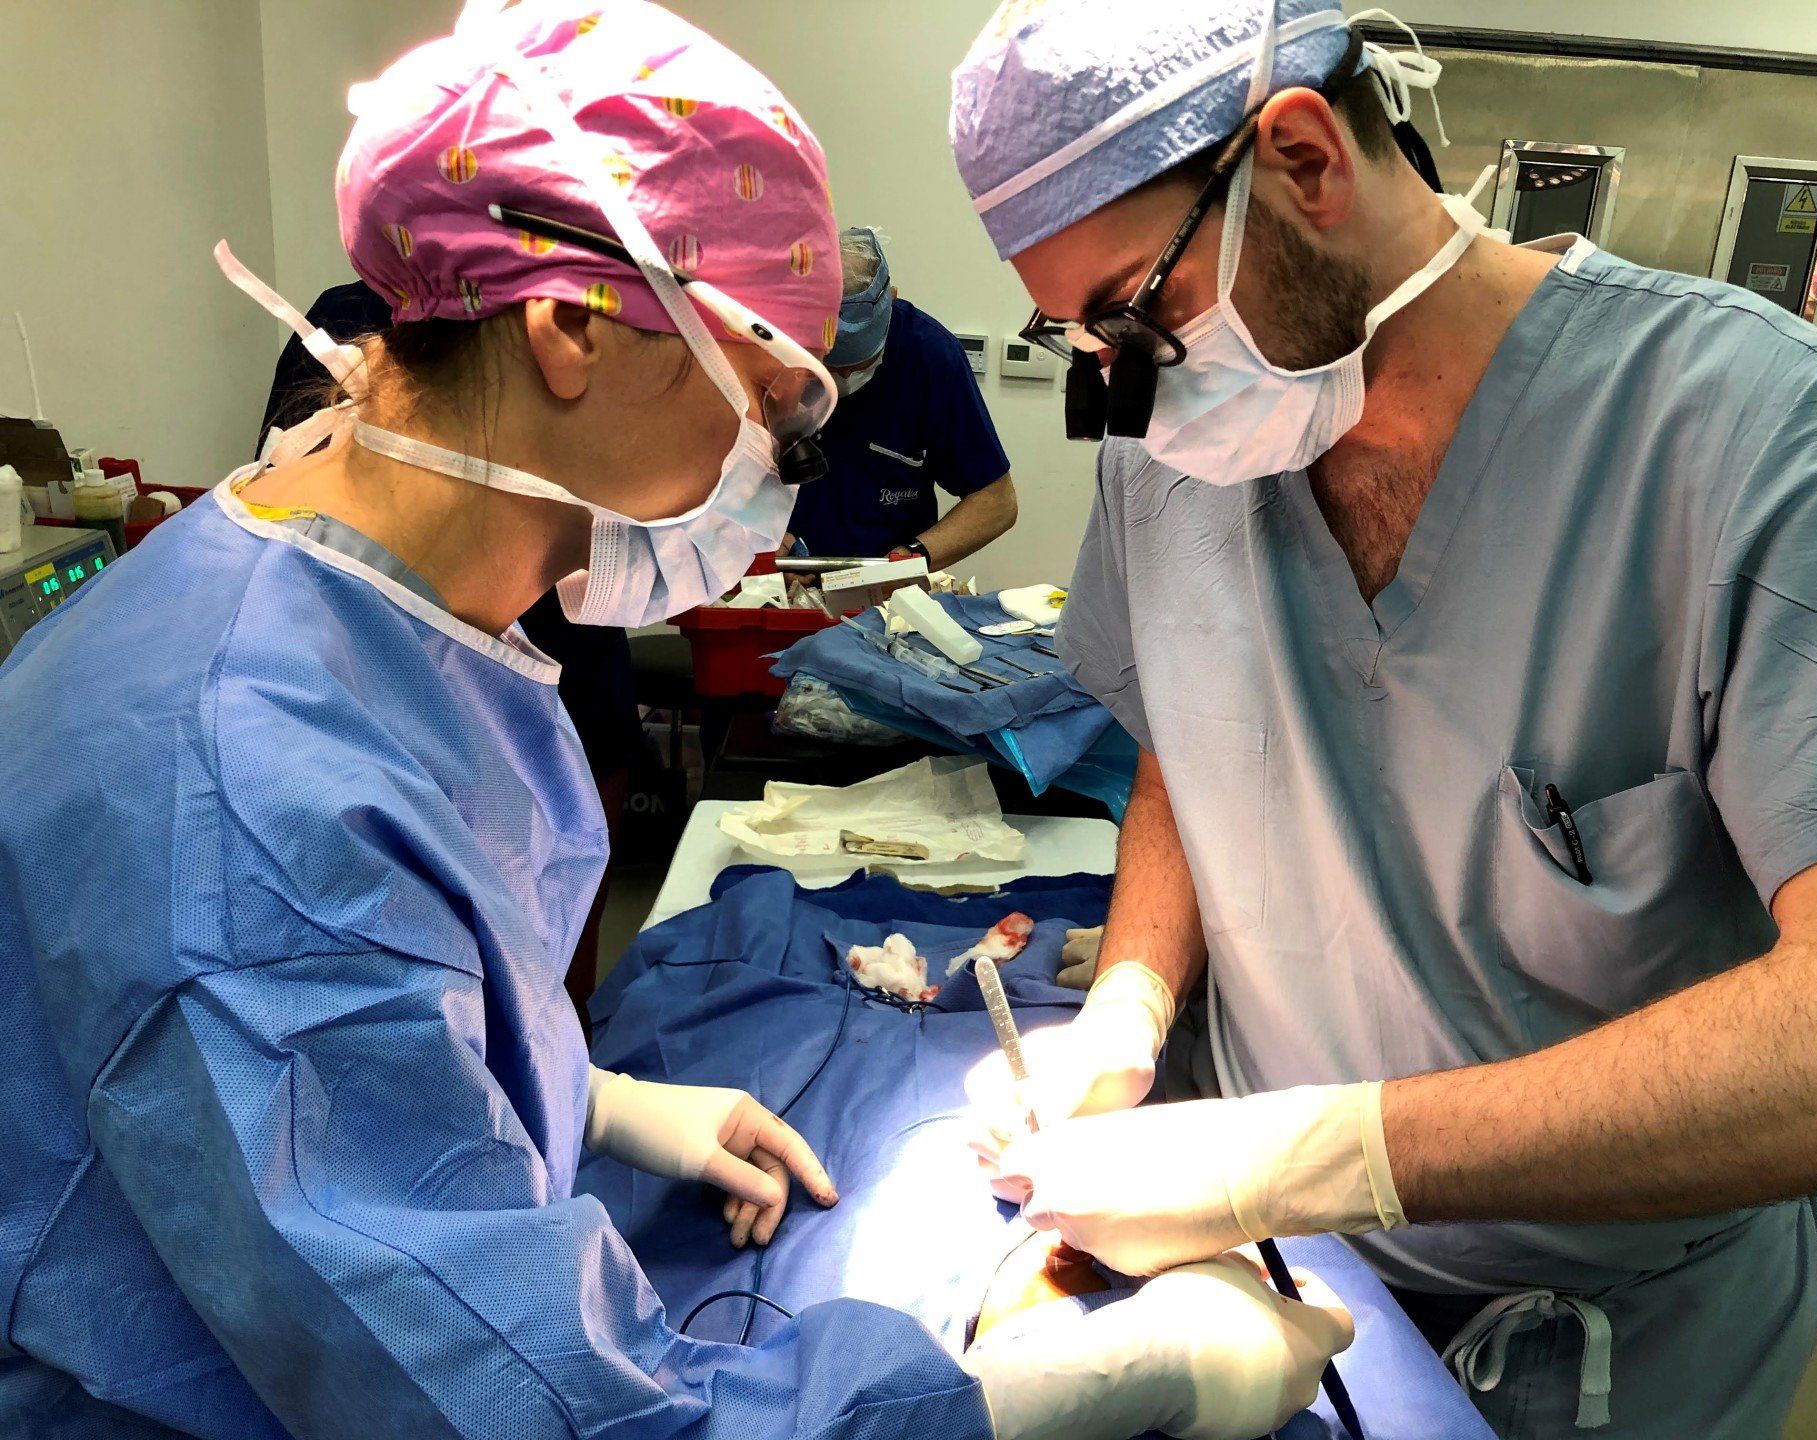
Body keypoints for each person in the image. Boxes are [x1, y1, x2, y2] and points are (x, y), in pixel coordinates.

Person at [0, 5, 1353, 1438]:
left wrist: (594, 1103)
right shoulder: (241, 785)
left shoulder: (373, 606)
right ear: (573, 328)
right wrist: (1076, 1384)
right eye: (775, 404)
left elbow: (373, 1015)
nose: (772, 469)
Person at [951, 3, 1817, 1437]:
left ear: (1303, 158)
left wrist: (1312, 1153)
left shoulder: (1760, 442)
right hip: (1262, 1270)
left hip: (1616, 1339)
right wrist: (1132, 1003)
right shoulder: (1176, 455)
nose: (1122, 384)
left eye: (1139, 312)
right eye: (1081, 336)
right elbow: (1190, 727)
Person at [256, 278, 638, 1022]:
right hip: (386, 692)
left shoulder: (581, 324)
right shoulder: (344, 324)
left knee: (546, 997)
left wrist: (585, 1095)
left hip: (570, 683)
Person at [784, 227, 1018, 567]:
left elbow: (996, 502)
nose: (846, 380)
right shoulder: (765, 349)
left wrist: (912, 559)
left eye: (861, 364)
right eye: (830, 368)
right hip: (772, 582)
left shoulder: (931, 356)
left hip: (884, 592)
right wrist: (755, 541)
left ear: (891, 299)